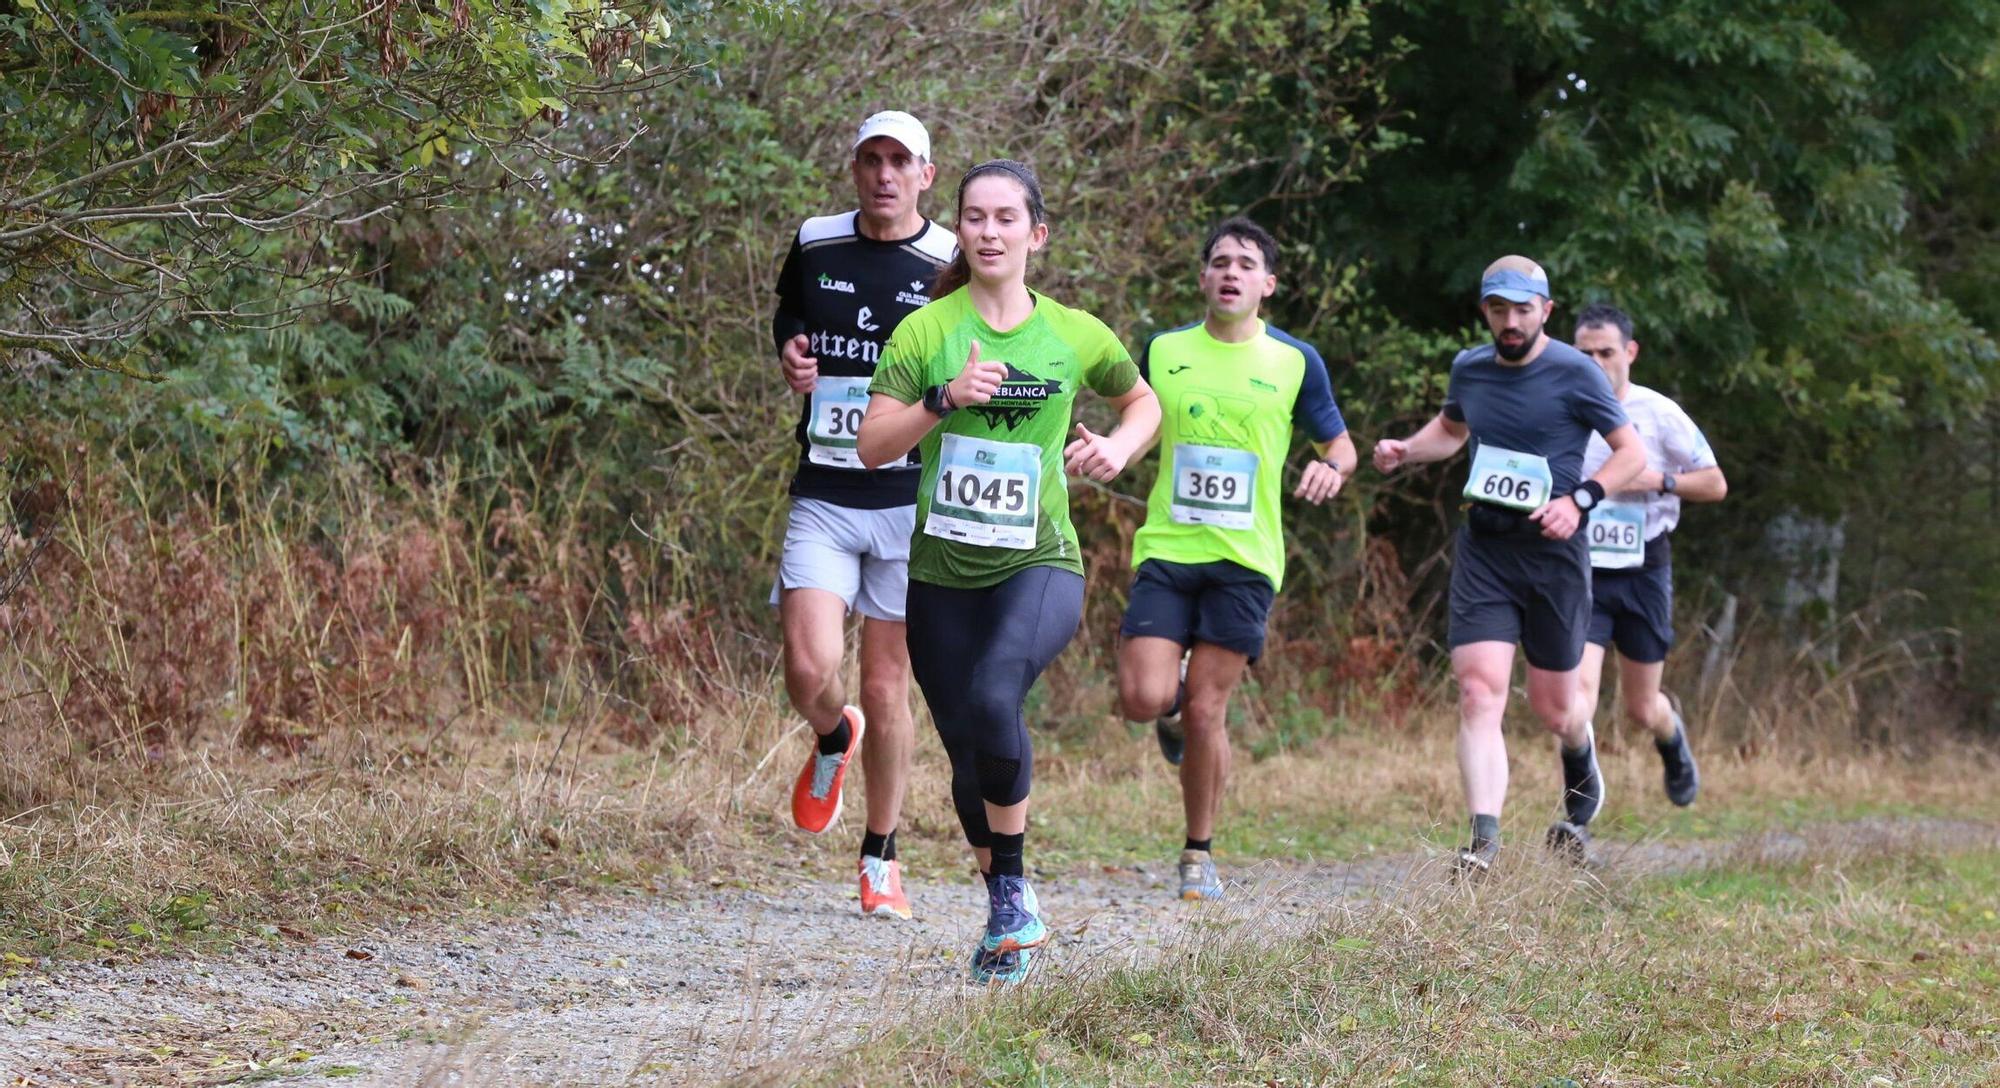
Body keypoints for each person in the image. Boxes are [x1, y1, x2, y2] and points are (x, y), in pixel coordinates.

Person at [856, 159, 1161, 984]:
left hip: (1039, 561)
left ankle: (1016, 897)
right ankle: (1006, 914)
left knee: (996, 697)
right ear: (958, 230)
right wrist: (943, 399)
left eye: (1005, 218)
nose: (989, 232)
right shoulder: (926, 331)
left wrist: (1118, 448)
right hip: (941, 574)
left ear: (1037, 233)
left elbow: (1143, 402)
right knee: (967, 755)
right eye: (974, 218)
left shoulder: (1073, 332)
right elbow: (872, 445)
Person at [1371, 256, 1645, 873]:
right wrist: (1406, 450)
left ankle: (1578, 748)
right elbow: (1451, 431)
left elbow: (1630, 454)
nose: (1511, 321)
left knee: (1555, 708)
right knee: (1477, 691)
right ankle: (1484, 844)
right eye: (1500, 310)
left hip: (1554, 555)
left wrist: (1578, 502)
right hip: (1487, 549)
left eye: (1523, 309)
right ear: (1485, 312)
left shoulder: (1576, 372)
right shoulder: (1470, 368)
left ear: (1546, 311)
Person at [1113, 216, 1356, 901]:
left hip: (1246, 561)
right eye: (1220, 262)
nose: (1231, 273)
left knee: (1207, 709)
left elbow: (1340, 445)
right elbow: (1139, 422)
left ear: (1267, 284)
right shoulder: (1164, 349)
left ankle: (1198, 854)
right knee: (1143, 697)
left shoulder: (1295, 361)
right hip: (1169, 547)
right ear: (1202, 277)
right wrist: (1113, 449)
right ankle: (1166, 709)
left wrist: (1331, 468)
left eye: (1246, 264)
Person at [771, 111, 956, 920]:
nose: (884, 174)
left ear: (925, 174)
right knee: (808, 670)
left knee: (887, 687)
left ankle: (881, 857)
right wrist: (790, 350)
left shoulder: (950, 257)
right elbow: (790, 314)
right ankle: (831, 734)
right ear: (854, 168)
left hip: (909, 504)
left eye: (899, 162)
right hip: (825, 493)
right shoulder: (816, 240)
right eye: (871, 160)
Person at [1570, 303, 1728, 808]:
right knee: (1577, 697)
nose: (1596, 363)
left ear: (1630, 353)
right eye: (1585, 354)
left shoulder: (1659, 414)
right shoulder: (1561, 410)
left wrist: (1658, 480)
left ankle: (1672, 741)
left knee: (1642, 708)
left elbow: (1715, 484)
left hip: (1644, 568)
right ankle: (1579, 807)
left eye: (1606, 353)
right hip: (1581, 566)